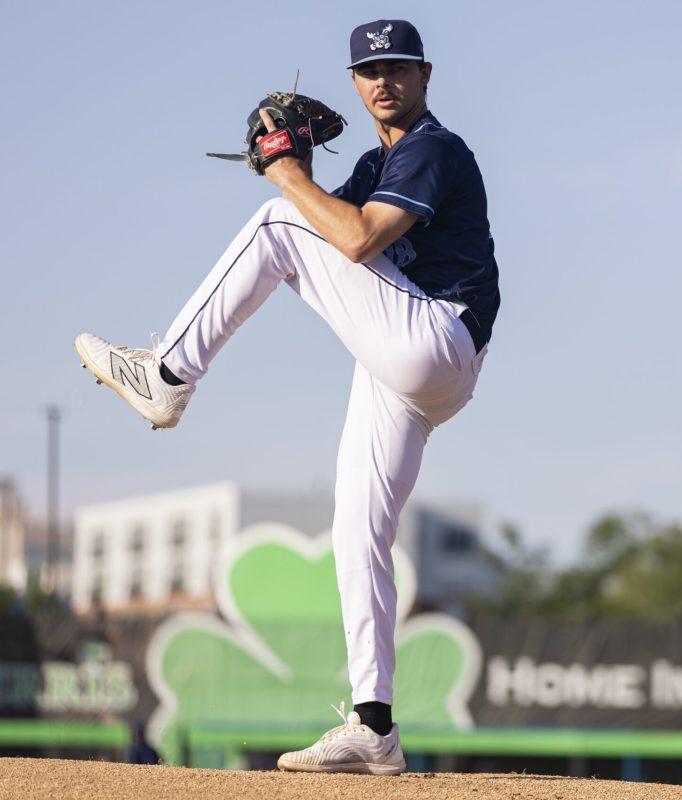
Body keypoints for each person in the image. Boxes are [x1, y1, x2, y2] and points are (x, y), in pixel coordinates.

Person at [74, 18, 499, 774]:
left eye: (399, 68)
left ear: (426, 76)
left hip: (435, 334)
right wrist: (294, 165)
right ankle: (375, 729)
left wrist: (283, 173)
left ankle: (167, 376)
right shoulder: (378, 162)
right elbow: (330, 228)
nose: (384, 82)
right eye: (370, 71)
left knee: (275, 219)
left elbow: (359, 239)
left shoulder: (435, 146)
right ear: (354, 83)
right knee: (357, 528)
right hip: (409, 367)